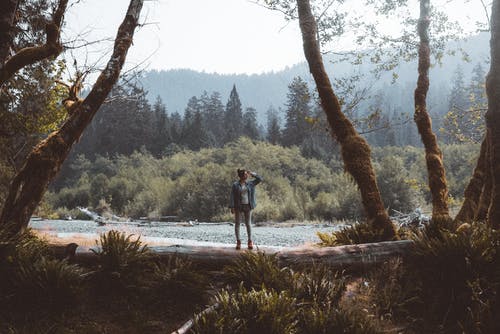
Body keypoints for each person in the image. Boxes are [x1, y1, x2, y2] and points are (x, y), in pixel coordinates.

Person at [229, 168, 262, 250]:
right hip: (238, 206)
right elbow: (232, 196)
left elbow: (259, 179)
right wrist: (232, 206)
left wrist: (252, 173)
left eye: (247, 174)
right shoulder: (235, 185)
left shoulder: (250, 183)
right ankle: (238, 242)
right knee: (237, 224)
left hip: (248, 205)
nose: (247, 175)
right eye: (245, 174)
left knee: (248, 224)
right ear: (241, 176)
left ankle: (250, 241)